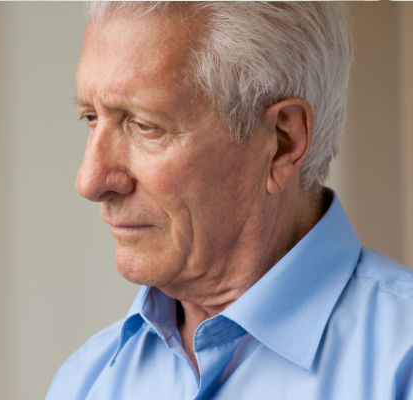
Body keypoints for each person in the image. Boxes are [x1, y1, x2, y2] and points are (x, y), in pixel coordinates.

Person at [47, 2, 413, 399]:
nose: (90, 181)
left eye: (144, 125)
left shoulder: (401, 364)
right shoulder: (85, 382)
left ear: (281, 141)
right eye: (91, 117)